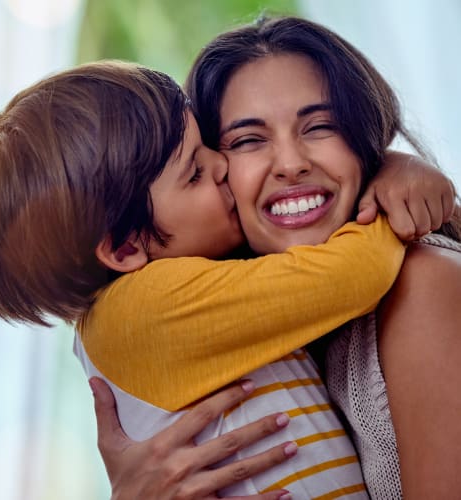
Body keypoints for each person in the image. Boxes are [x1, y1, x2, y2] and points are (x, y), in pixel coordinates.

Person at [0, 54, 454, 498]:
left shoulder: (191, 287)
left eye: (320, 126)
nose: (222, 167)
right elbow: (354, 275)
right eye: (196, 171)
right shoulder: (144, 310)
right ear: (126, 247)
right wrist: (392, 187)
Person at [94, 15, 461, 499]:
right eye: (248, 140)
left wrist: (398, 172)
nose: (291, 164)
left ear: (362, 136)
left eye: (322, 127)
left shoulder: (422, 282)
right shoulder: (246, 325)